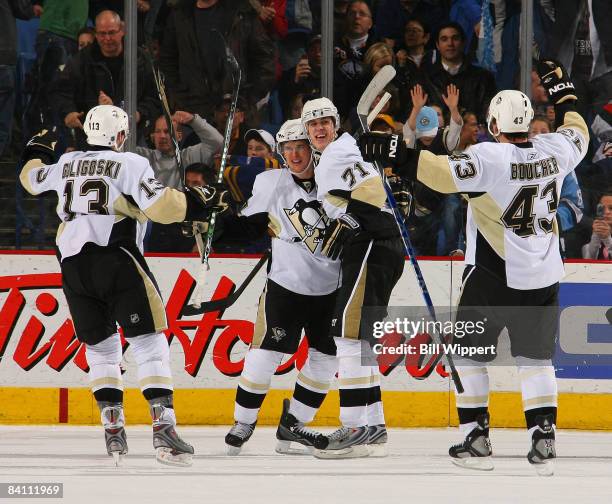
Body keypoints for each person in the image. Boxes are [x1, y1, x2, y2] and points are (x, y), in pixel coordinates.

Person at [358, 60, 589, 475]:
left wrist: (397, 152)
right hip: (544, 276)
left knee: (468, 354)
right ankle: (543, 436)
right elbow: (579, 128)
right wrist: (564, 94)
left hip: (493, 274)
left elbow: (440, 175)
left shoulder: (489, 156)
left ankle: (477, 434)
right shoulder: (556, 149)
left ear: (495, 125)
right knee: (536, 361)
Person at [18, 105, 225, 466]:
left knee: (100, 347)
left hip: (73, 267)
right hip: (115, 258)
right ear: (119, 135)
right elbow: (160, 205)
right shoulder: (129, 163)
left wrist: (38, 150)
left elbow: (30, 179)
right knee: (149, 340)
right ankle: (164, 429)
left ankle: (113, 430)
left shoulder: (66, 162)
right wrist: (197, 201)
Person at [202, 120, 340, 455]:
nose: (293, 154)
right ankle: (244, 421)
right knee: (264, 355)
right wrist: (216, 218)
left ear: (313, 148)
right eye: (287, 148)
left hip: (333, 289)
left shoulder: (334, 179)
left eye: (300, 147)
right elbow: (248, 227)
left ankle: (293, 426)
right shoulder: (270, 182)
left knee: (326, 359)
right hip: (285, 286)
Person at [300, 97, 405, 458]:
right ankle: (373, 424)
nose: (319, 129)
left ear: (335, 123)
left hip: (372, 244)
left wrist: (351, 219)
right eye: (313, 125)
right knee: (359, 339)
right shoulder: (345, 150)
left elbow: (371, 196)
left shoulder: (335, 154)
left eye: (325, 121)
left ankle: (355, 426)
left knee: (346, 335)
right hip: (384, 245)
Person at [53, 10, 160, 150]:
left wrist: (140, 113)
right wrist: (68, 112)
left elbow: (155, 96)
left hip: (131, 136)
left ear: (122, 31)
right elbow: (60, 92)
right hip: (90, 140)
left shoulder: (140, 59)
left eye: (112, 32)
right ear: (96, 35)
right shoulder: (81, 61)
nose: (107, 38)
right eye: (102, 34)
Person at [582, 193, 612, 260]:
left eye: (611, 208)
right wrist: (596, 234)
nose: (606, 212)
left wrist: (607, 238)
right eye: (602, 208)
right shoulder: (586, 236)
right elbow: (587, 264)